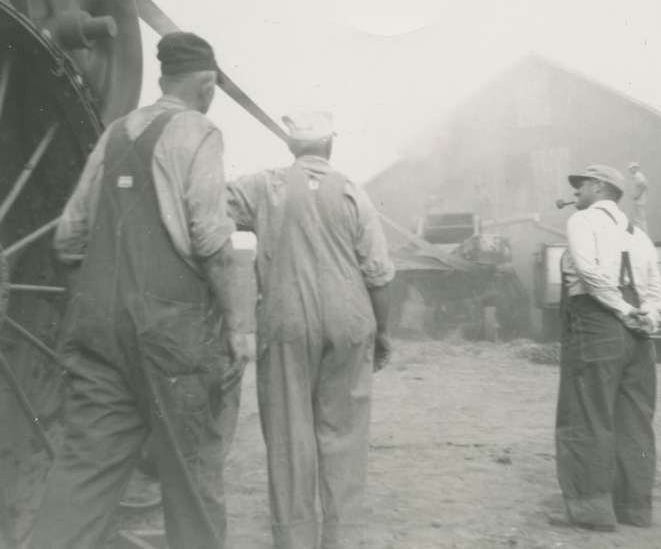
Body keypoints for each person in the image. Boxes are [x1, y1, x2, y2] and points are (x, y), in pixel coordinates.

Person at [30, 32, 249, 549]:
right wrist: (238, 327)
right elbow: (213, 240)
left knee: (83, 479)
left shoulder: (115, 133)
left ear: (160, 79)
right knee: (191, 476)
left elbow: (68, 239)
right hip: (168, 334)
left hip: (99, 328)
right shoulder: (200, 132)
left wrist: (102, 296)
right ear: (207, 84)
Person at [227, 111, 395, 549]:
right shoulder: (354, 193)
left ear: (290, 146)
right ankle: (340, 538)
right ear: (330, 145)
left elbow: (209, 208)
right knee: (344, 432)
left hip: (287, 319)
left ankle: (295, 540)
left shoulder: (264, 186)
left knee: (288, 435)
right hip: (350, 318)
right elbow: (377, 273)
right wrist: (382, 333)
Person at [553, 164, 661, 532]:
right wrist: (646, 317)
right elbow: (657, 292)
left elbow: (590, 274)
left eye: (583, 184)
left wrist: (622, 309)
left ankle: (590, 511)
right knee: (634, 419)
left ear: (600, 187)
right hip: (638, 336)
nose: (578, 191)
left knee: (587, 415)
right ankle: (634, 508)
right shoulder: (639, 234)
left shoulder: (583, 222)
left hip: (597, 322)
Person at [628, 161, 649, 233]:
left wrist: (637, 195)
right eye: (630, 169)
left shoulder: (638, 175)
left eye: (631, 168)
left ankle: (643, 233)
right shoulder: (636, 176)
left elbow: (643, 185)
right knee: (637, 218)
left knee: (640, 219)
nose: (630, 170)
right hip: (638, 201)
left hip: (639, 201)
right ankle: (640, 232)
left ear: (635, 168)